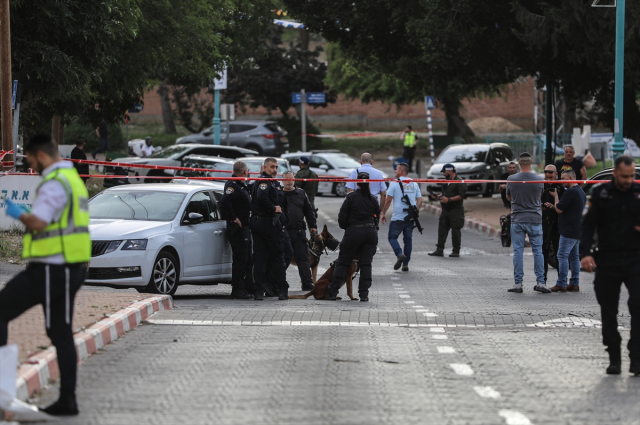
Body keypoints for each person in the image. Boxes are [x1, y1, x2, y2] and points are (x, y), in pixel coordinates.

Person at [0, 134, 91, 416]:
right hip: (72, 266)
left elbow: (40, 222)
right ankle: (68, 401)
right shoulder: (72, 180)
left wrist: (17, 213)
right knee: (60, 332)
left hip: (52, 268)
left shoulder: (53, 183)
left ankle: (2, 394)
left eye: (28, 159)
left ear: (40, 156)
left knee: (1, 311)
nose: (29, 164)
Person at [580, 155, 640, 375]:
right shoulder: (600, 194)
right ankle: (614, 357)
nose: (628, 180)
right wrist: (585, 254)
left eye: (632, 176)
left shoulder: (638, 193)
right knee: (608, 310)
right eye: (624, 176)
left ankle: (637, 358)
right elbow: (587, 227)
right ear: (615, 173)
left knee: (639, 306)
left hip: (636, 258)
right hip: (608, 259)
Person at [327, 172, 380, 302]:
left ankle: (333, 292)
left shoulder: (351, 198)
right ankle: (364, 294)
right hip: (370, 232)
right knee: (366, 264)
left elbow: (342, 217)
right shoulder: (373, 199)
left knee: (343, 262)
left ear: (357, 182)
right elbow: (376, 217)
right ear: (369, 182)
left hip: (354, 232)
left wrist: (348, 228)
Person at [505, 153, 550, 294]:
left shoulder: (511, 179)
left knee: (518, 251)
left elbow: (508, 196)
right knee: (538, 251)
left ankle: (518, 284)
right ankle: (541, 282)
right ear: (531, 162)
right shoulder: (539, 179)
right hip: (535, 219)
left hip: (518, 219)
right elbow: (540, 195)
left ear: (519, 163)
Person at [250, 157, 288, 300]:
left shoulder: (271, 182)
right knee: (277, 256)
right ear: (264, 168)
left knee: (261, 257)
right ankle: (282, 288)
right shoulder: (264, 181)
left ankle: (260, 290)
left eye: (276, 167)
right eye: (272, 167)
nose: (275, 170)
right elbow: (261, 196)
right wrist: (273, 208)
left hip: (262, 223)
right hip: (267, 224)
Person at [218, 161, 254, 300]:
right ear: (244, 171)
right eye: (248, 170)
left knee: (248, 259)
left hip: (245, 228)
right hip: (238, 230)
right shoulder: (233, 185)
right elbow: (225, 203)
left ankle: (245, 286)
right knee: (240, 259)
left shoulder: (240, 185)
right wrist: (233, 218)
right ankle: (237, 289)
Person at [381, 162, 423, 271]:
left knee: (392, 237)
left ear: (401, 171)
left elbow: (388, 200)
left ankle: (399, 254)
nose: (395, 171)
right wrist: (415, 211)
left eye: (396, 169)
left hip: (398, 218)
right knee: (408, 240)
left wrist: (383, 213)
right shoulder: (413, 183)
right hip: (410, 218)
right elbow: (420, 200)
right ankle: (405, 264)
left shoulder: (395, 183)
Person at [550, 169, 586, 292]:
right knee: (574, 257)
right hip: (577, 229)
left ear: (571, 179)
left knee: (562, 255)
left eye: (564, 178)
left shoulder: (570, 192)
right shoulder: (581, 192)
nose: (561, 181)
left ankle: (561, 283)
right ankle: (574, 283)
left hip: (568, 230)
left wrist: (555, 197)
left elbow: (559, 209)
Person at [283, 171, 317, 291]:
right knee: (283, 259)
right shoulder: (278, 193)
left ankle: (307, 283)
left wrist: (312, 225)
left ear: (294, 179)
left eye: (291, 178)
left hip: (299, 232)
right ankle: (279, 283)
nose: (289, 181)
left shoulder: (301, 193)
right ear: (282, 180)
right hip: (284, 232)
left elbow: (309, 211)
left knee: (303, 258)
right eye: (286, 179)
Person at [428, 163, 467, 258]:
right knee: (442, 229)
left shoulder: (460, 181)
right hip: (446, 210)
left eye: (444, 172)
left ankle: (456, 250)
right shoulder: (447, 182)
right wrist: (438, 196)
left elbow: (461, 196)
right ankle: (439, 249)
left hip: (456, 211)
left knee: (455, 231)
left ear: (449, 171)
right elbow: (446, 194)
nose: (443, 174)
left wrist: (449, 199)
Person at [540, 165, 564, 284]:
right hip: (545, 222)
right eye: (547, 178)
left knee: (559, 253)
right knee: (543, 252)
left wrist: (554, 205)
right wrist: (542, 206)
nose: (549, 180)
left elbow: (563, 207)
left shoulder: (561, 187)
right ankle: (542, 280)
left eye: (551, 177)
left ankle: (561, 281)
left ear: (556, 174)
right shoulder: (542, 187)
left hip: (557, 224)